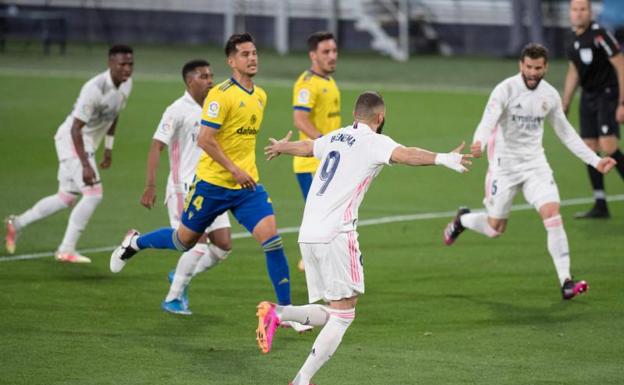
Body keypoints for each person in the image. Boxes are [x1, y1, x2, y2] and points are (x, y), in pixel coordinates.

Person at [255, 91, 472, 385]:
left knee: (338, 310)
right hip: (336, 233)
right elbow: (406, 154)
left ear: (355, 115)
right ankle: (300, 375)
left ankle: (280, 315)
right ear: (380, 117)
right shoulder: (375, 141)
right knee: (344, 316)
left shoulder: (336, 136)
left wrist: (283, 146)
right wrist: (444, 158)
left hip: (308, 233)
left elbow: (308, 147)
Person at [110, 33, 306, 330]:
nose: (252, 58)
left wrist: (275, 149)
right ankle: (135, 243)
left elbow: (242, 140)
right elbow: (205, 140)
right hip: (212, 185)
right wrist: (233, 169)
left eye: (254, 53)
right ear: (232, 61)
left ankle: (286, 312)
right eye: (245, 54)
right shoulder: (220, 95)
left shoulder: (261, 96)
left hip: (246, 188)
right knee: (183, 242)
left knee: (272, 239)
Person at [443, 43, 616, 300]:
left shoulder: (550, 95)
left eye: (538, 68)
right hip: (505, 167)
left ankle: (566, 281)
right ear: (520, 65)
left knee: (552, 213)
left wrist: (595, 160)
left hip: (536, 165)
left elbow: (566, 133)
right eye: (528, 67)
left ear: (545, 67)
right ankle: (463, 220)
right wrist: (478, 141)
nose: (533, 72)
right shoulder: (506, 90)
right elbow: (487, 120)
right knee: (494, 228)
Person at [4, 45, 134, 262]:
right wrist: (84, 164)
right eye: (122, 64)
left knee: (65, 197)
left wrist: (109, 148)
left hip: (87, 142)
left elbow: (114, 114)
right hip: (73, 139)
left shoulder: (127, 85)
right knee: (94, 194)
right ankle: (66, 249)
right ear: (110, 63)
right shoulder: (94, 88)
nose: (127, 69)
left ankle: (16, 224)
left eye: (130, 64)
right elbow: (76, 128)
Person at [140, 59, 232, 315]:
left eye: (211, 75)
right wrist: (150, 184)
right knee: (197, 245)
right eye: (204, 76)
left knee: (223, 245)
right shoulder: (177, 110)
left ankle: (179, 275)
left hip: (212, 185)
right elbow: (156, 146)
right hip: (185, 188)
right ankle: (173, 298)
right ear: (189, 80)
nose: (210, 80)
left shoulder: (214, 109)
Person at [562, 0, 624, 218]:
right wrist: (566, 100)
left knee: (608, 146)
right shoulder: (572, 38)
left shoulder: (600, 35)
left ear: (590, 12)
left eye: (583, 10)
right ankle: (600, 203)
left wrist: (622, 103)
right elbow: (574, 71)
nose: (579, 14)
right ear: (570, 12)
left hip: (607, 95)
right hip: (587, 97)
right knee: (589, 149)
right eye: (575, 10)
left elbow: (621, 66)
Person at [292, 31, 341, 271]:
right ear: (313, 55)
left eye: (334, 50)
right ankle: (313, 261)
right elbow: (300, 119)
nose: (332, 56)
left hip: (329, 163)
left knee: (330, 216)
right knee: (325, 217)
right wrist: (324, 143)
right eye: (326, 52)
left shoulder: (329, 81)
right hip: (311, 164)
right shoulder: (307, 84)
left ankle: (311, 260)